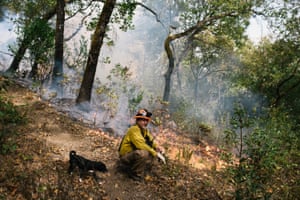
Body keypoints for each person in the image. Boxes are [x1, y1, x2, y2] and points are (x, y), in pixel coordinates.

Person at [117, 109, 166, 181]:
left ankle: (144, 169)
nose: (145, 122)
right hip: (125, 156)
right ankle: (135, 174)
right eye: (143, 120)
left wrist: (157, 147)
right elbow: (141, 145)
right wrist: (155, 153)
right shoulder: (134, 129)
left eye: (146, 121)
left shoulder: (145, 130)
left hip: (133, 154)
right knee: (144, 153)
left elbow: (151, 141)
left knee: (151, 152)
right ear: (137, 120)